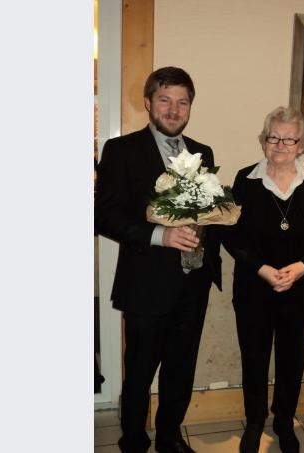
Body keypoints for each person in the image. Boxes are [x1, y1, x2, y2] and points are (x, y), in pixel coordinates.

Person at [95, 66, 221, 453]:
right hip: (145, 285)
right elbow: (104, 216)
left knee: (181, 370)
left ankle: (169, 436)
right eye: (165, 99)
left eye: (182, 102)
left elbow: (209, 211)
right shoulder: (121, 150)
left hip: (193, 284)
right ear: (148, 103)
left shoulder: (203, 153)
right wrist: (159, 235)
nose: (174, 109)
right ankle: (134, 439)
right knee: (139, 373)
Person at [223, 106, 304, 453]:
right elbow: (231, 235)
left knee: (291, 362)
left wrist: (302, 266)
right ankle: (255, 421)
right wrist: (261, 268)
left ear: (302, 145)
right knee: (254, 359)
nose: (281, 145)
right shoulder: (245, 179)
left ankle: (284, 421)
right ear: (263, 141)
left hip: (299, 289)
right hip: (254, 288)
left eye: (289, 139)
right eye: (274, 138)